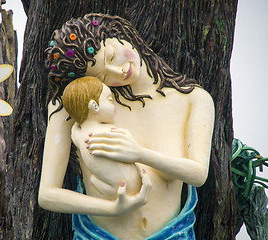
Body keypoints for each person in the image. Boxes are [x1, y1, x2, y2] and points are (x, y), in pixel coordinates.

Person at [39, 13, 214, 240]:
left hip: (174, 234)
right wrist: (112, 209)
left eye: (112, 56)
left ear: (118, 34)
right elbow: (47, 195)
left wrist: (139, 153)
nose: (118, 72)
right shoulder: (82, 105)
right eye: (103, 76)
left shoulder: (193, 99)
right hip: (98, 235)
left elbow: (198, 174)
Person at [62, 76, 144, 200]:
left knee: (94, 180)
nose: (114, 105)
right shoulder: (110, 131)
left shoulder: (79, 137)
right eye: (110, 100)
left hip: (115, 189)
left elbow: (74, 130)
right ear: (95, 106)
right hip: (134, 184)